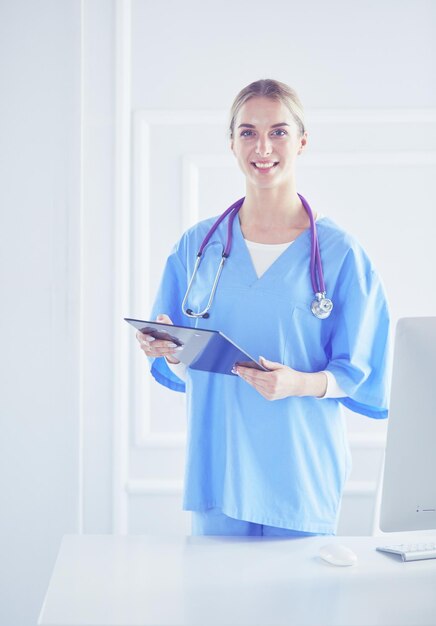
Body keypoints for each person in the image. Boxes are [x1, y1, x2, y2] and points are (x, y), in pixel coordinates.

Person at [136, 78, 391, 537]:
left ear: (302, 142)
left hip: (298, 470)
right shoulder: (198, 247)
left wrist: (297, 383)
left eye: (278, 131)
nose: (263, 146)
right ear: (232, 143)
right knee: (217, 606)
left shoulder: (339, 254)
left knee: (303, 606)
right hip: (219, 464)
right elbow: (178, 358)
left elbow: (362, 370)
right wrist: (167, 348)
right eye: (248, 132)